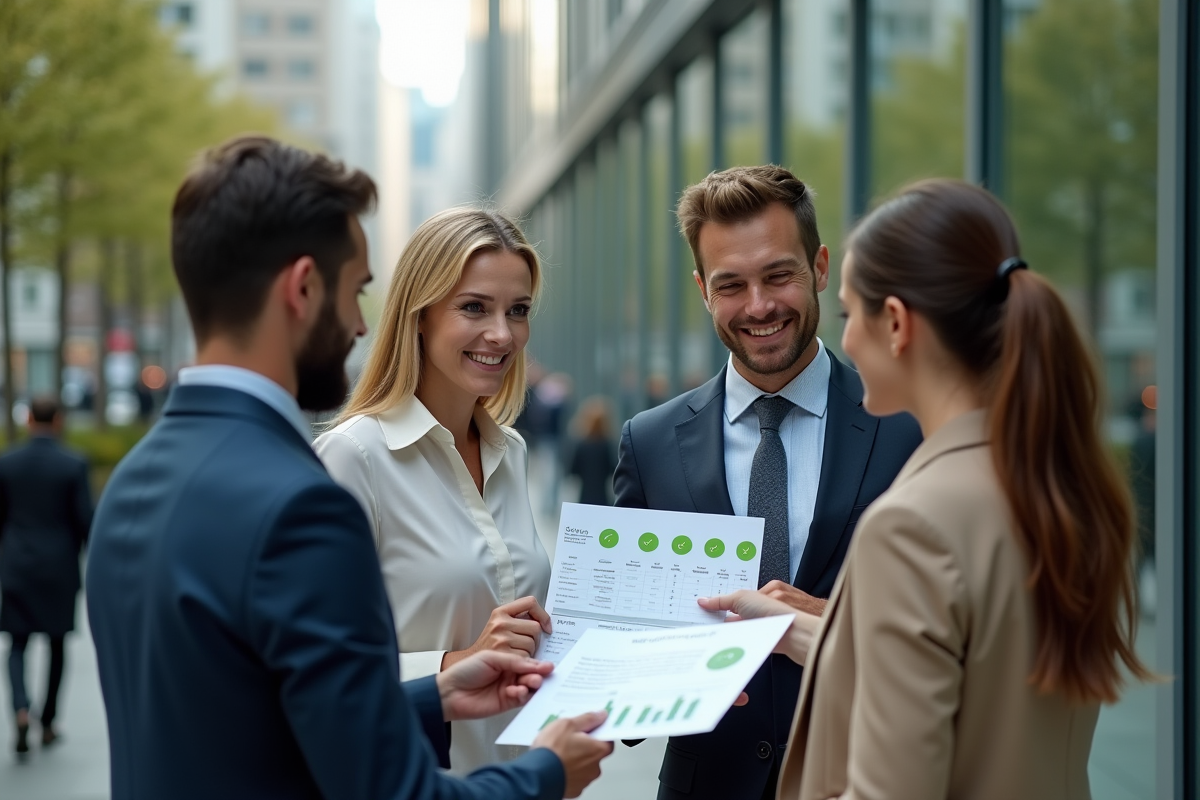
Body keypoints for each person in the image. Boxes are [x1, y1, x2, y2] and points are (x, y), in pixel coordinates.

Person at [86, 136, 611, 800]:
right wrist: (545, 774)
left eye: (518, 310)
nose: (363, 326)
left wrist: (442, 689)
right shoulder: (305, 498)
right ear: (304, 288)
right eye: (356, 291)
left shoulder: (130, 484)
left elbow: (264, 713)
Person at [703, 178, 1153, 799]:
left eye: (848, 314)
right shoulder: (1054, 486)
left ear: (895, 324)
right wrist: (802, 629)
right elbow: (977, 687)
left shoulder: (913, 524)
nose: (849, 341)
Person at [613, 165, 921, 800]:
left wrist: (831, 623)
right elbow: (624, 659)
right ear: (703, 289)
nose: (758, 306)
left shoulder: (908, 424)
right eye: (731, 285)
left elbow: (957, 633)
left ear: (820, 268)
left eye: (779, 275)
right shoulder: (648, 442)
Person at [314, 207, 554, 772]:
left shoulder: (510, 452)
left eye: (517, 311)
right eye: (474, 307)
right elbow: (314, 671)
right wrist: (452, 665)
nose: (502, 333)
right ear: (418, 315)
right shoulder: (354, 459)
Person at [0, 396, 92, 755]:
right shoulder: (73, 464)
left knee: (17, 645)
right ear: (56, 420)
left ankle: (21, 709)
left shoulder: (6, 464)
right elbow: (85, 520)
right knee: (56, 645)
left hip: (18, 566)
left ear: (28, 422)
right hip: (59, 568)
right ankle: (49, 722)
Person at [567, 397, 616, 506]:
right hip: (602, 496)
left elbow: (573, 470)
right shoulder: (607, 445)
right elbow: (613, 468)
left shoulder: (582, 444)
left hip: (584, 494)